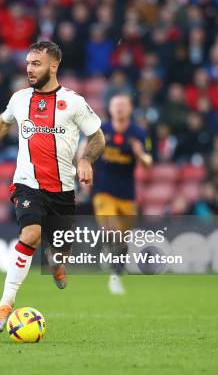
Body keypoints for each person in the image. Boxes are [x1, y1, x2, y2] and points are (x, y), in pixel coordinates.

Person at [0, 41, 105, 332]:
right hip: (27, 185)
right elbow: (2, 123)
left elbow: (98, 137)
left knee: (59, 252)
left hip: (63, 190)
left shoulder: (74, 102)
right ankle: (5, 302)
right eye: (28, 63)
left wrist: (87, 160)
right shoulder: (20, 99)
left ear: (54, 66)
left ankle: (55, 263)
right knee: (31, 233)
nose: (29, 68)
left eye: (36, 63)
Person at [92, 94, 152, 295]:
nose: (119, 108)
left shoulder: (139, 133)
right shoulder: (101, 130)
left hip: (127, 193)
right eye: (116, 105)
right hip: (103, 190)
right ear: (110, 108)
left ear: (130, 108)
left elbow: (148, 161)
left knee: (124, 239)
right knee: (111, 228)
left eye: (123, 105)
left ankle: (116, 276)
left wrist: (139, 154)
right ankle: (107, 249)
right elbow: (85, 149)